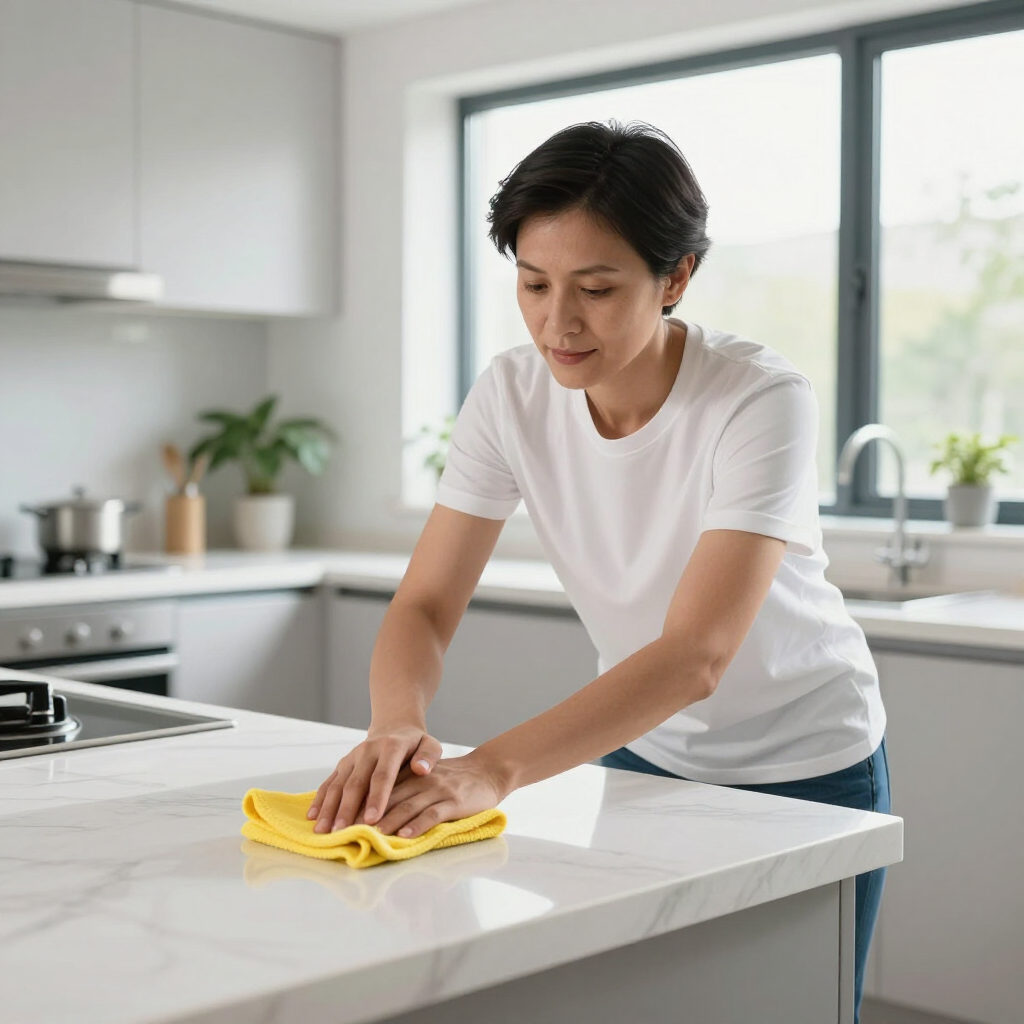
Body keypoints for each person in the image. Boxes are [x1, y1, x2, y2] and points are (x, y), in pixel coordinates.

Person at [308, 120, 890, 1022]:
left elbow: (698, 654)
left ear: (676, 277)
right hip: (645, 755)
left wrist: (491, 771)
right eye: (533, 285)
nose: (557, 322)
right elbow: (425, 602)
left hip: (805, 765)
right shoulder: (510, 394)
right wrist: (398, 725)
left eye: (596, 288)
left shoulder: (757, 397)